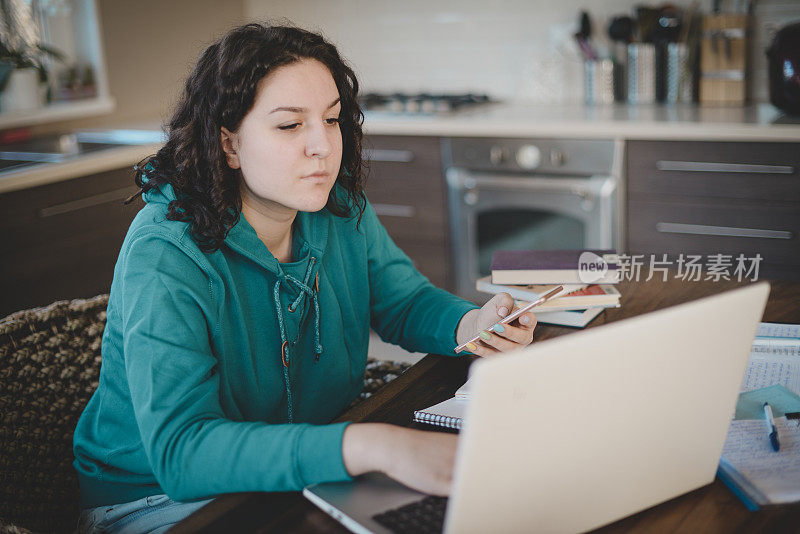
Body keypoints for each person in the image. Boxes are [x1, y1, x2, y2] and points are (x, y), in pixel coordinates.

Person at [72, 22, 536, 534]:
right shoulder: (165, 253)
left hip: (301, 469)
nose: (323, 146)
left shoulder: (338, 208)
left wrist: (471, 323)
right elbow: (184, 454)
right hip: (155, 502)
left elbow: (402, 302)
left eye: (332, 119)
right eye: (290, 126)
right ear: (229, 144)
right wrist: (368, 445)